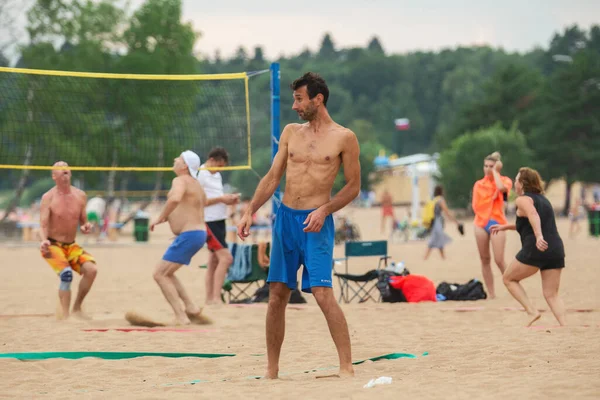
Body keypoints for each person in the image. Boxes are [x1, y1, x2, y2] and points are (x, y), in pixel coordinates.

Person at [237, 72, 359, 379]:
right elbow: (272, 177)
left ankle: (346, 367)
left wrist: (325, 209)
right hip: (286, 221)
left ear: (318, 99)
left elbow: (353, 187)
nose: (295, 106)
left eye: (300, 99)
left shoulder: (344, 137)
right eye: (294, 99)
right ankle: (272, 371)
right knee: (277, 292)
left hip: (317, 223)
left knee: (321, 291)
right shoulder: (291, 132)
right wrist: (250, 210)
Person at [491, 167, 566, 327]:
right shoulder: (544, 200)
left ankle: (532, 311)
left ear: (522, 183)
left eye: (517, 179)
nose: (515, 182)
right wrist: (505, 227)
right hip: (555, 249)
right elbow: (528, 223)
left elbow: (532, 215)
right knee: (551, 294)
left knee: (508, 278)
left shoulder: (522, 200)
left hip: (536, 248)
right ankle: (566, 326)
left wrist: (538, 236)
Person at [151, 150, 211, 325]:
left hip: (190, 234)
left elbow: (175, 199)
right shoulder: (196, 184)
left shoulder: (179, 180)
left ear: (184, 166)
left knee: (159, 274)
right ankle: (190, 306)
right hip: (198, 233)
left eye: (178, 158)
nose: (174, 159)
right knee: (167, 273)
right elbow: (203, 203)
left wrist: (161, 217)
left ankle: (181, 315)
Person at [39, 161, 98, 320]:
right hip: (52, 245)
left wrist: (86, 226)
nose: (65, 173)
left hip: (71, 245)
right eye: (61, 171)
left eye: (67, 171)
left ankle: (77, 308)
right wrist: (43, 240)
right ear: (54, 176)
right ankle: (65, 317)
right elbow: (43, 224)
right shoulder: (48, 197)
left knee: (91, 271)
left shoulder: (80, 195)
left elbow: (83, 221)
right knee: (66, 275)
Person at [197, 147, 240, 305]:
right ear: (212, 160)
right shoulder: (200, 174)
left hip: (220, 220)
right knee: (226, 258)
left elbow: (216, 198)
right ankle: (215, 298)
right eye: (220, 166)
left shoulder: (216, 176)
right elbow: (200, 202)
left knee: (214, 261)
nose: (220, 169)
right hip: (209, 221)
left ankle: (210, 299)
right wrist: (222, 199)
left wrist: (230, 200)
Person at [472, 151, 512, 299]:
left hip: (497, 221)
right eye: (486, 166)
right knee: (485, 259)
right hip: (481, 222)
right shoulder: (478, 184)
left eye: (491, 166)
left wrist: (496, 173)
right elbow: (476, 206)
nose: (487, 169)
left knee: (499, 259)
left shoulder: (504, 180)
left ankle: (513, 286)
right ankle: (492, 293)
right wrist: (490, 199)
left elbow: (503, 189)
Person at [424, 185, 461, 260]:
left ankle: (442, 257)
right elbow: (447, 212)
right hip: (437, 221)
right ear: (441, 191)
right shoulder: (440, 200)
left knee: (438, 237)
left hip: (432, 221)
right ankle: (426, 257)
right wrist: (456, 221)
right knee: (436, 237)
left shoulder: (433, 199)